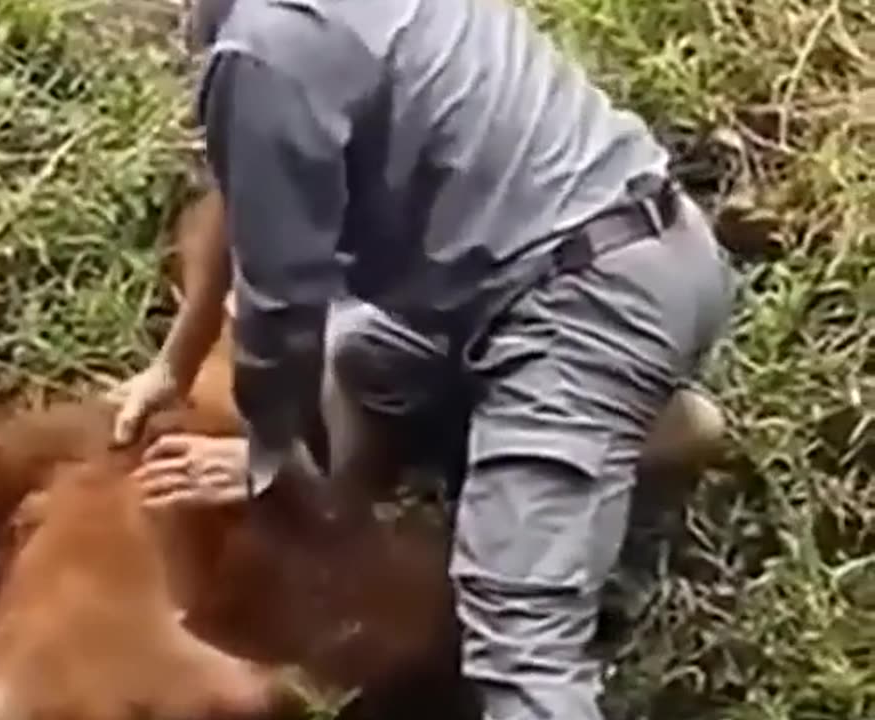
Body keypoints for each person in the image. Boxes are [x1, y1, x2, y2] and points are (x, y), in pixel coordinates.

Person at [109, 0, 739, 718]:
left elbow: (279, 312)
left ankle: (581, 424)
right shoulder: (269, 37)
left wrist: (267, 460)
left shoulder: (268, 43)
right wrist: (176, 362)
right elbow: (246, 180)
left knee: (516, 645)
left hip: (580, 301)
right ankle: (638, 424)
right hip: (623, 253)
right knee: (357, 360)